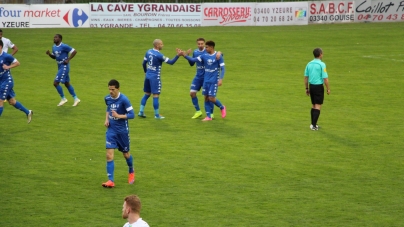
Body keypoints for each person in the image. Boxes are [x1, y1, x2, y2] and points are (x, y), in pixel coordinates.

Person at [102, 79, 135, 188]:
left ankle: (131, 170)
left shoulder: (124, 99)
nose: (111, 92)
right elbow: (108, 108)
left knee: (126, 154)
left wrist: (119, 116)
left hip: (122, 132)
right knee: (109, 155)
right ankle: (110, 180)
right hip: (111, 131)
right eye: (109, 89)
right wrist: (106, 119)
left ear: (118, 89)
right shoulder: (107, 98)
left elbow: (132, 114)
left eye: (113, 89)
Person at [138, 39, 182, 119]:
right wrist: (178, 55)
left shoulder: (148, 51)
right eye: (161, 44)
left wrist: (145, 72)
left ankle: (141, 112)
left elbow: (143, 63)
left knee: (147, 94)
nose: (163, 45)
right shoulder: (159, 55)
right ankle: (157, 115)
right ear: (157, 45)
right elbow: (171, 62)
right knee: (155, 95)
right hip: (155, 77)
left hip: (148, 76)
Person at [183, 40, 226, 121]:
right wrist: (184, 55)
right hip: (206, 80)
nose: (205, 48)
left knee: (211, 98)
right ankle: (208, 116)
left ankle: (222, 107)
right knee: (206, 97)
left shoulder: (218, 56)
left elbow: (223, 68)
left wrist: (221, 79)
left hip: (214, 80)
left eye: (206, 47)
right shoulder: (204, 56)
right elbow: (192, 61)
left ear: (211, 47)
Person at [0, 40, 33, 123]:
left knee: (0, 101)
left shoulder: (6, 56)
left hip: (7, 81)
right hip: (1, 82)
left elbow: (17, 63)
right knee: (11, 101)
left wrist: (8, 67)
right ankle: (28, 112)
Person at [46, 34, 80, 107]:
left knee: (55, 83)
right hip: (59, 66)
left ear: (60, 39)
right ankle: (76, 99)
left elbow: (74, 51)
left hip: (64, 66)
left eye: (56, 37)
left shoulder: (64, 46)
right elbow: (55, 57)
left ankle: (63, 98)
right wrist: (49, 54)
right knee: (67, 83)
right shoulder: (54, 47)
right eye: (54, 37)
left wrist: (68, 59)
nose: (54, 38)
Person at [304, 47, 330, 130]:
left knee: (313, 105)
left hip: (311, 86)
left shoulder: (309, 64)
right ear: (320, 54)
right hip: (318, 87)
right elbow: (325, 78)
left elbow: (306, 77)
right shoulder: (322, 64)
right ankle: (314, 126)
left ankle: (313, 124)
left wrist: (307, 88)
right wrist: (328, 88)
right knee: (318, 106)